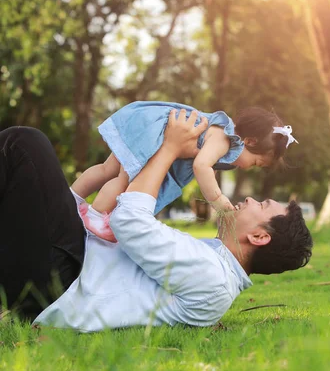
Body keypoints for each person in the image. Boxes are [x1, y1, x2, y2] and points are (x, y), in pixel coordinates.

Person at [0, 112, 312, 331]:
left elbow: (129, 221)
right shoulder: (213, 261)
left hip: (60, 280)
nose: (250, 200)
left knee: (25, 145)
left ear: (259, 237)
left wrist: (170, 148)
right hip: (68, 264)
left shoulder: (212, 275)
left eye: (263, 205)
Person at [71, 102, 298, 242]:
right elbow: (201, 166)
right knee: (123, 178)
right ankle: (95, 217)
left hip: (149, 124)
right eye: (256, 163)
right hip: (159, 133)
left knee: (107, 169)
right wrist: (217, 199)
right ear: (248, 141)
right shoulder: (224, 140)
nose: (250, 168)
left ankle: (71, 197)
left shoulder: (222, 136)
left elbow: (210, 166)